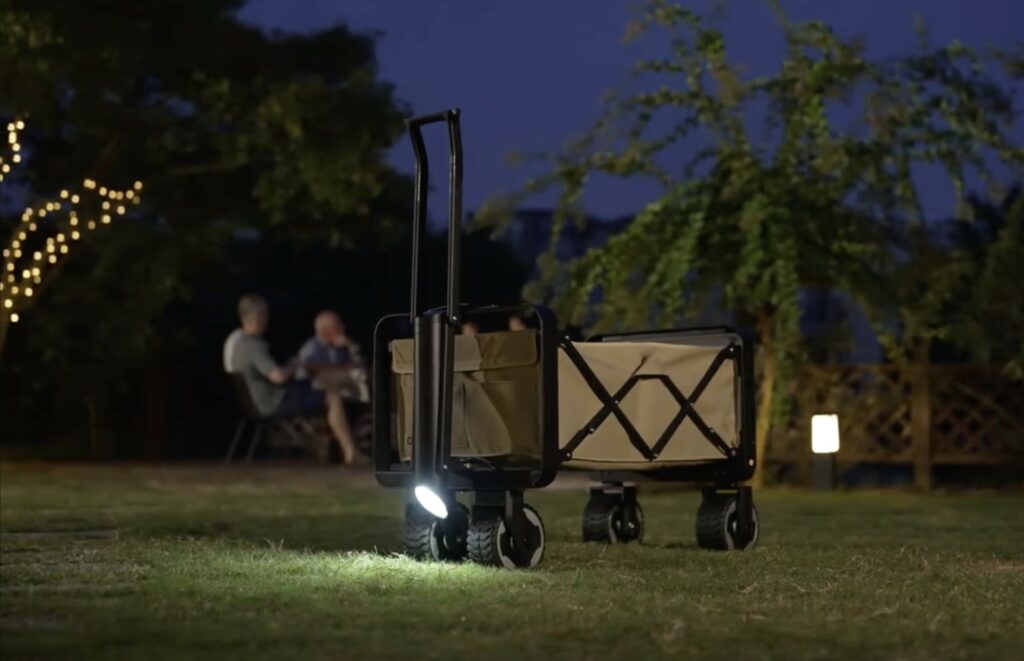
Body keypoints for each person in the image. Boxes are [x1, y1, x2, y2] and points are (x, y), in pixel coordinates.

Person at [223, 295, 360, 465]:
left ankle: (331, 445)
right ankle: (350, 451)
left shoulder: (238, 342)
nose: (267, 319)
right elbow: (278, 377)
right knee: (331, 397)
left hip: (262, 400)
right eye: (265, 315)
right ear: (258, 316)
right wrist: (294, 365)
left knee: (314, 391)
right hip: (272, 402)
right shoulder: (253, 346)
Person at [297, 311, 368, 402]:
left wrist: (351, 347)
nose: (342, 329)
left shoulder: (338, 348)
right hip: (318, 394)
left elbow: (359, 367)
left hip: (343, 389)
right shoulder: (312, 348)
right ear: (325, 330)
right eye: (337, 326)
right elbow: (307, 369)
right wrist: (340, 369)